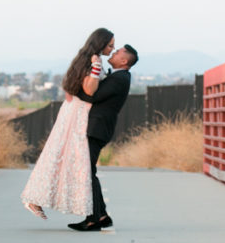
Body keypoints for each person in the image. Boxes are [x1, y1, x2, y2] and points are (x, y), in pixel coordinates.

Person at [20, 28, 115, 219]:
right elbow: (89, 90)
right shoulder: (93, 61)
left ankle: (36, 198)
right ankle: (34, 198)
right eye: (110, 45)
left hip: (74, 112)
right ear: (101, 44)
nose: (113, 49)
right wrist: (97, 68)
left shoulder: (83, 59)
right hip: (78, 115)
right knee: (66, 158)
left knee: (60, 156)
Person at [68, 43, 138, 232]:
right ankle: (102, 216)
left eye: (117, 52)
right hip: (97, 128)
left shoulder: (120, 78)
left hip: (97, 128)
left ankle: (93, 219)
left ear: (124, 61)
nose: (113, 53)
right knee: (88, 171)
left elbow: (93, 96)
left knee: (87, 172)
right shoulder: (119, 76)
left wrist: (73, 89)